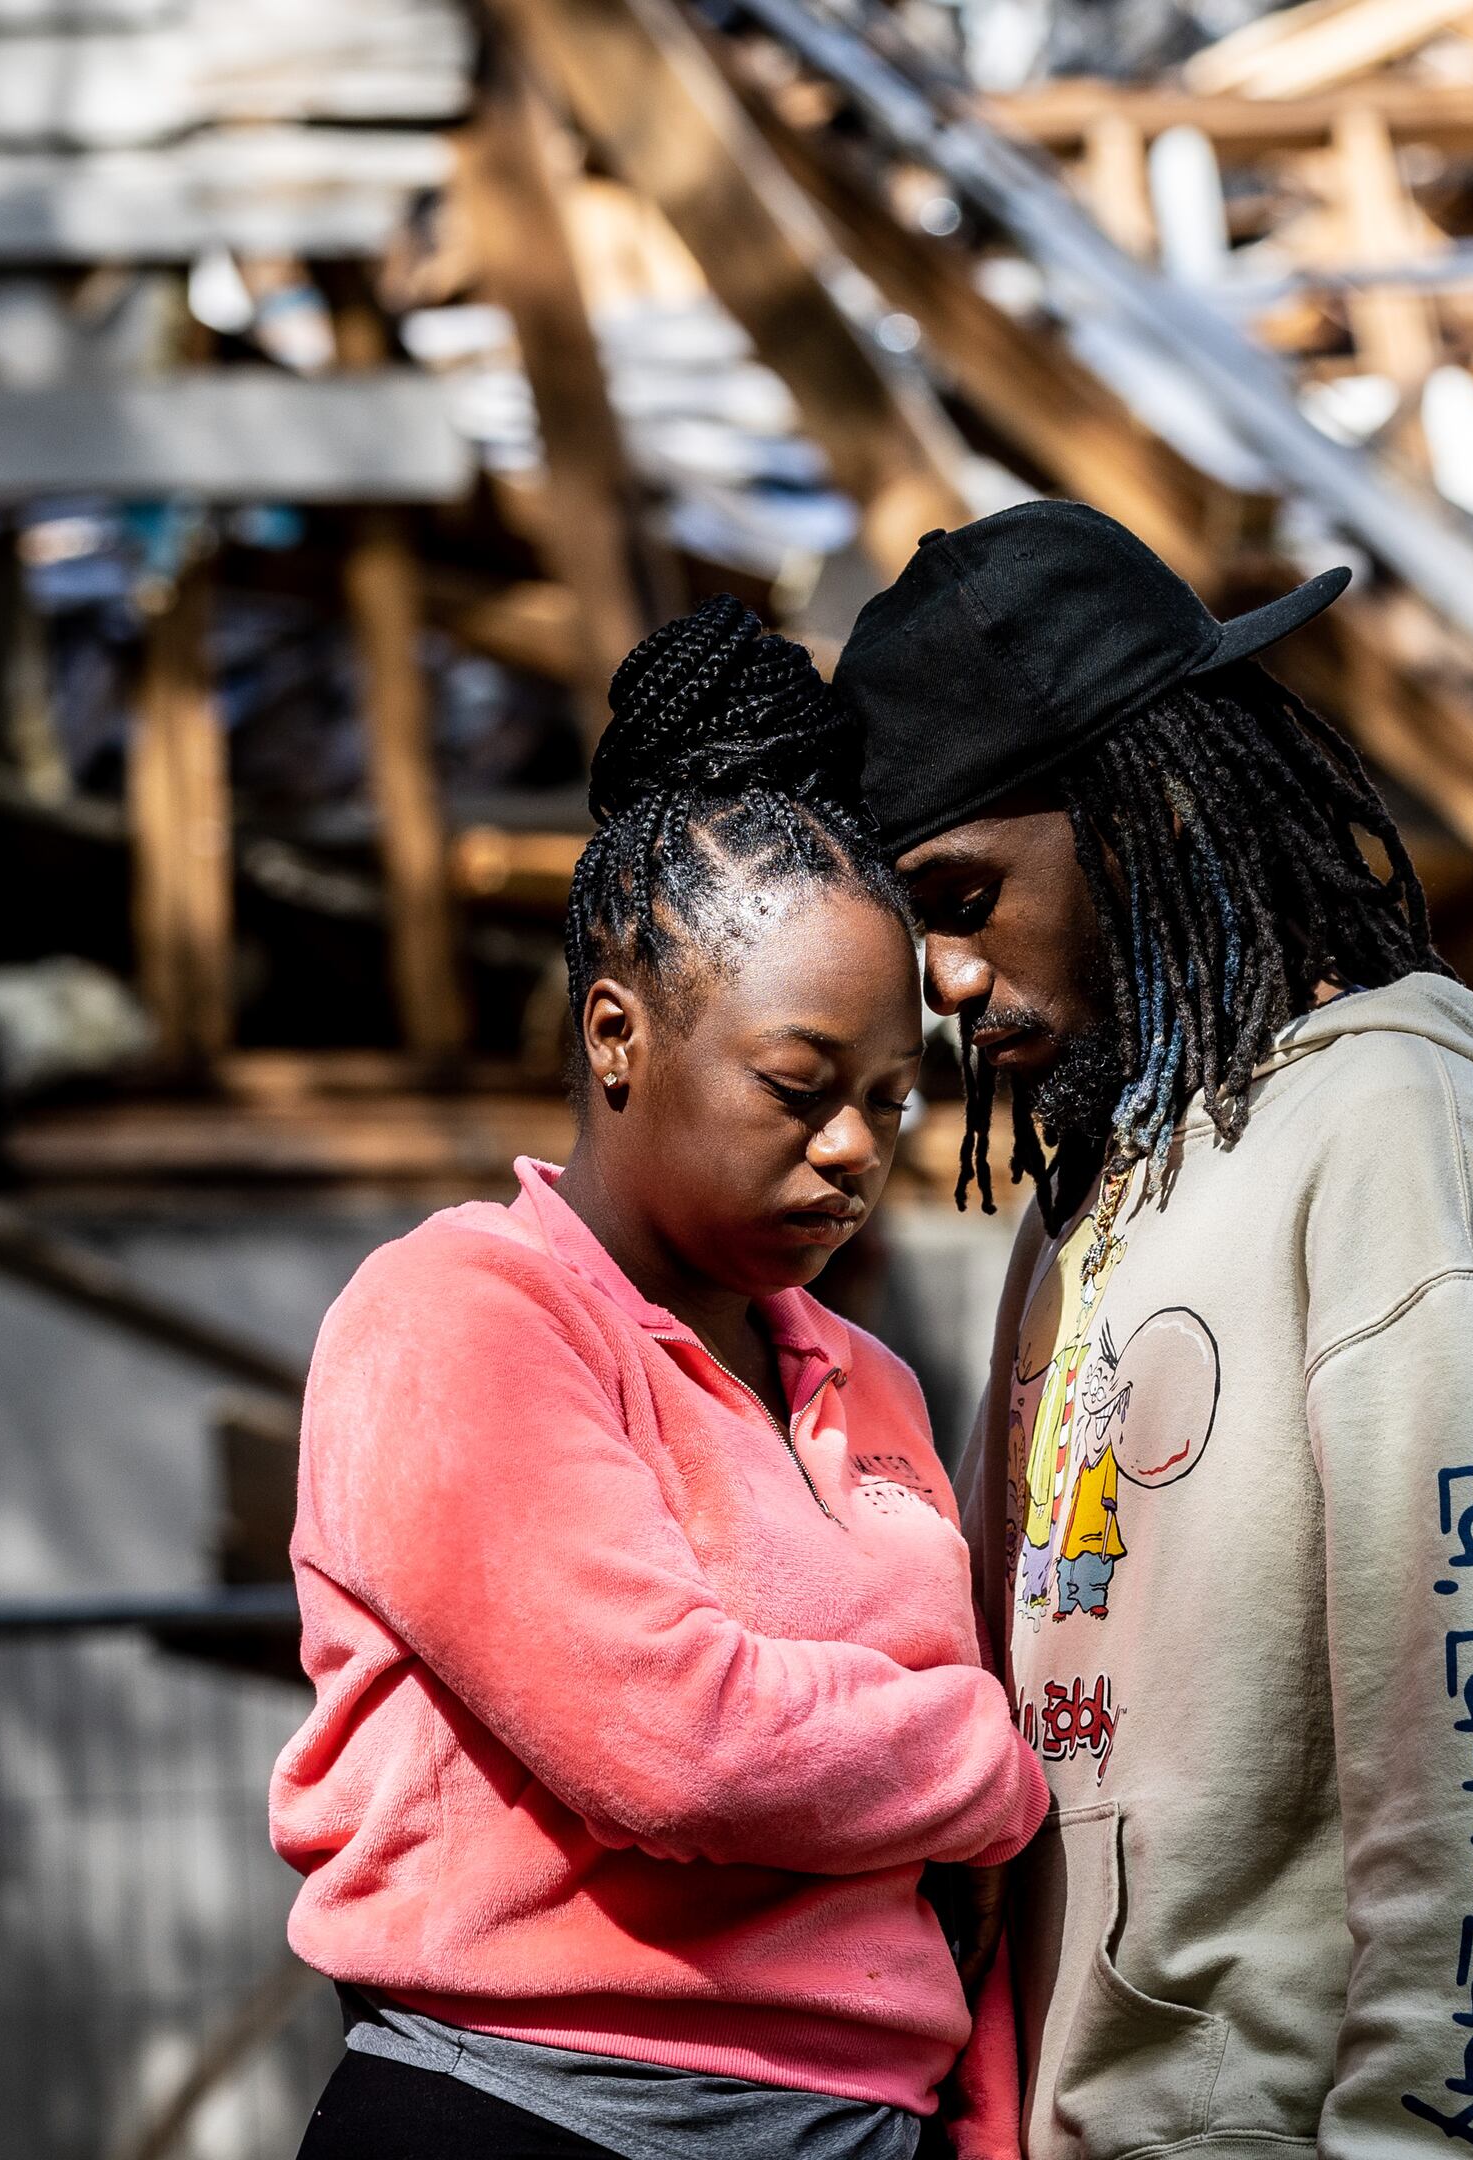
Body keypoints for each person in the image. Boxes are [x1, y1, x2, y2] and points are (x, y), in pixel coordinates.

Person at [834, 501, 1473, 2160]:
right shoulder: (1084, 1198)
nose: (950, 981)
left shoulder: (1398, 1128)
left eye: (968, 895)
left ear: (1149, 809)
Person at [270, 601, 1048, 2160]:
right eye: (798, 1086)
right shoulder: (461, 1316)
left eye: (893, 1104)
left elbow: (944, 1899)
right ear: (619, 1036)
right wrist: (991, 1752)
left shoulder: (875, 1385)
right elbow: (678, 1744)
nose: (853, 1150)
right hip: (534, 2112)